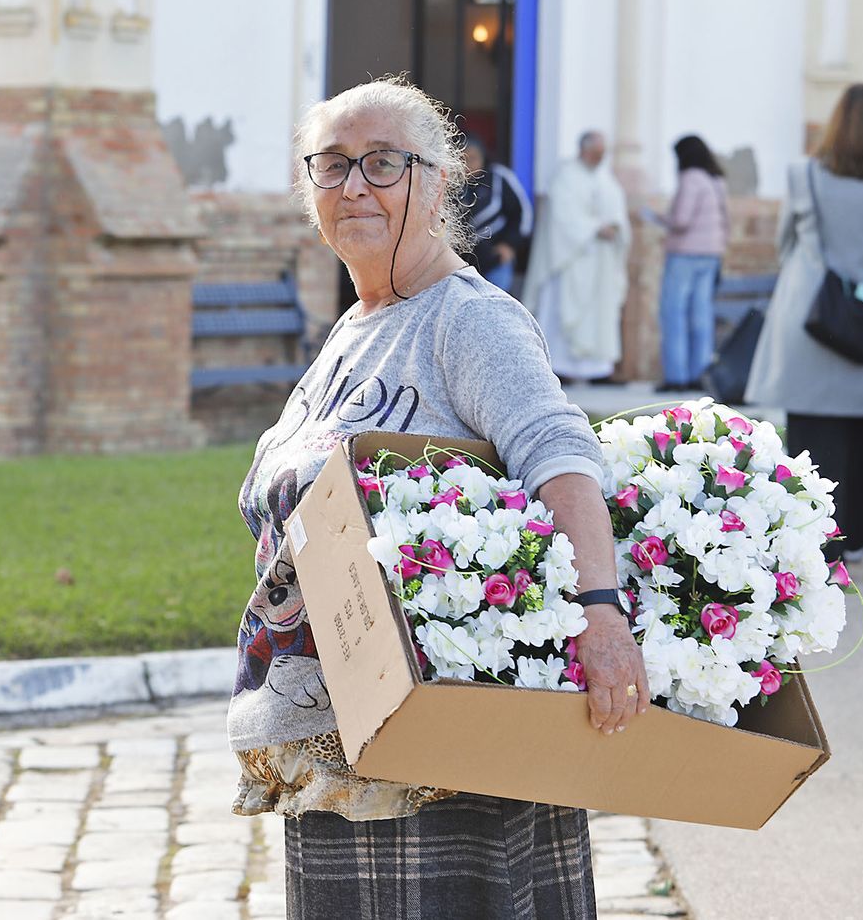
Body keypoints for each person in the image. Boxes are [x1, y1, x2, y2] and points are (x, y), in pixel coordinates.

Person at [230, 76, 648, 918]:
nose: (353, 186)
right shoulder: (352, 329)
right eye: (333, 164)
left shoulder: (468, 319)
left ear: (439, 181)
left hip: (445, 760)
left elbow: (561, 455)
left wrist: (602, 614)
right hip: (337, 748)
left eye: (383, 164)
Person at [747, 83, 863, 565]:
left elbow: (785, 245)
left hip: (812, 320)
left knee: (808, 438)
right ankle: (858, 532)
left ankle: (814, 533)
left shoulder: (804, 175)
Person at [524, 130, 631, 384]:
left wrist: (616, 228)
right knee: (564, 313)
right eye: (596, 153)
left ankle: (597, 370)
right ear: (583, 150)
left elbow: (618, 214)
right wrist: (595, 228)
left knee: (599, 317)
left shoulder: (605, 179)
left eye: (603, 154)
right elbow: (563, 220)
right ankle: (562, 367)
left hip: (600, 263)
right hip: (571, 260)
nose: (599, 158)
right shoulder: (566, 177)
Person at [654, 135, 729, 391]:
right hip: (711, 254)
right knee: (702, 316)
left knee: (673, 313)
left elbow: (682, 221)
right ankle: (700, 373)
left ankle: (676, 376)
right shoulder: (716, 180)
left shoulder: (690, 179)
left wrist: (662, 219)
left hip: (685, 254)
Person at [459, 133, 533, 293]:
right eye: (463, 159)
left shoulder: (499, 177)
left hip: (496, 260)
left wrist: (510, 245)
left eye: (473, 158)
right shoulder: (452, 182)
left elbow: (522, 214)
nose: (468, 164)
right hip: (462, 263)